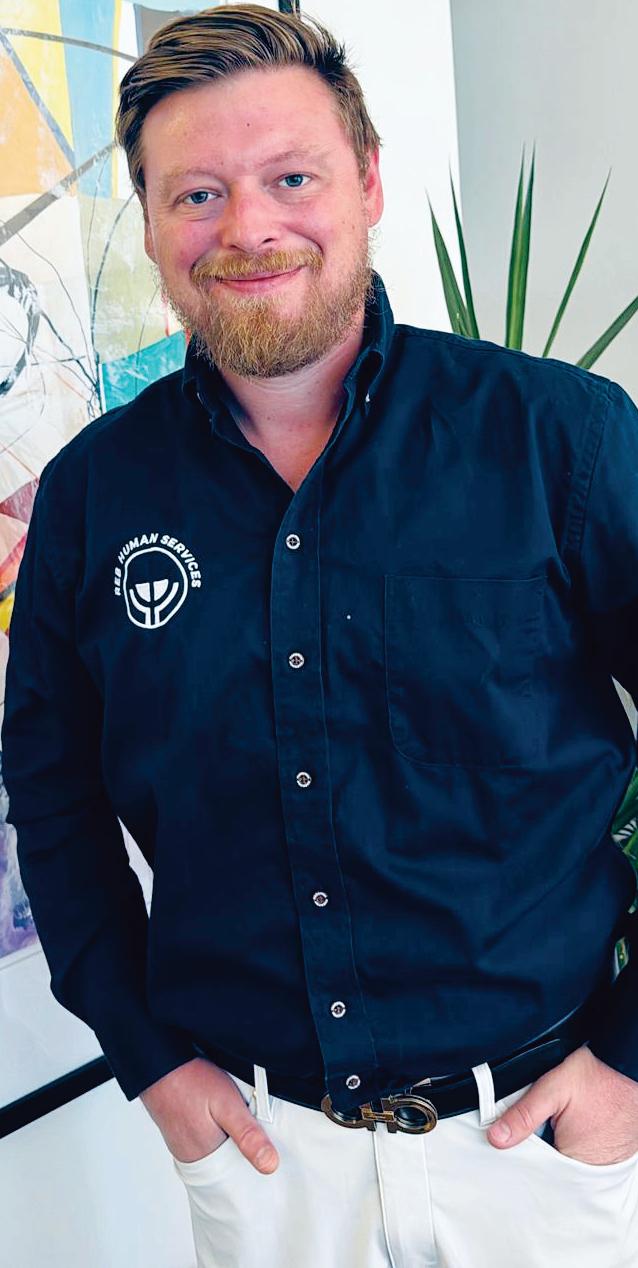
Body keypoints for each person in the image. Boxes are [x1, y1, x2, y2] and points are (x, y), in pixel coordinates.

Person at [3, 5, 638, 1265]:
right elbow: (54, 794)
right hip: (263, 1163)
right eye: (196, 193)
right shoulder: (91, 497)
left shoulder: (558, 438)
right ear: (150, 222)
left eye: (290, 178)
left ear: (367, 183)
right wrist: (147, 1056)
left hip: (538, 1145)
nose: (246, 227)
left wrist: (628, 1056)